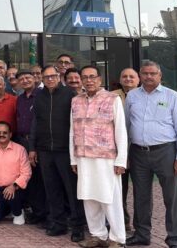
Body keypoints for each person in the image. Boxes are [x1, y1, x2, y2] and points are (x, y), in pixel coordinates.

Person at [125, 61, 177, 248]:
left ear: (160, 75)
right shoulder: (132, 96)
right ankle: (142, 234)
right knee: (141, 197)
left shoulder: (172, 96)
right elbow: (126, 126)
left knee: (172, 198)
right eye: (145, 73)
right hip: (138, 153)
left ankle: (175, 239)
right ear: (140, 76)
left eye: (153, 73)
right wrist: (125, 154)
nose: (149, 76)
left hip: (166, 152)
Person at [71, 65, 128, 248]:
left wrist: (121, 160)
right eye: (85, 77)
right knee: (89, 197)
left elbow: (121, 131)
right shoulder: (76, 101)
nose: (89, 80)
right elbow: (72, 131)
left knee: (109, 198)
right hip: (83, 157)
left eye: (92, 77)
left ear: (99, 79)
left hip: (106, 158)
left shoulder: (112, 99)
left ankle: (117, 238)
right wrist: (73, 159)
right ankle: (98, 236)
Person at [30, 65, 85, 242]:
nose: (50, 79)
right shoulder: (39, 96)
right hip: (45, 150)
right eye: (46, 77)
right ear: (42, 79)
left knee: (72, 190)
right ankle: (58, 223)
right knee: (52, 189)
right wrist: (32, 148)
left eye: (53, 76)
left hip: (65, 151)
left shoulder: (70, 94)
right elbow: (35, 123)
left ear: (58, 76)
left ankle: (78, 226)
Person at [14, 69, 47, 225]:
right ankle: (37, 212)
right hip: (23, 142)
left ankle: (47, 214)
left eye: (27, 77)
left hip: (38, 143)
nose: (25, 81)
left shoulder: (42, 95)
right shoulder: (20, 99)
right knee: (30, 178)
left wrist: (33, 146)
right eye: (21, 79)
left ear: (34, 78)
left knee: (42, 179)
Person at [0, 121, 31, 225]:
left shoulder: (20, 150)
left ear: (10, 134)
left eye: (5, 132)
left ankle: (18, 212)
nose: (2, 135)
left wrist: (14, 185)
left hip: (16, 188)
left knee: (12, 195)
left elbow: (27, 172)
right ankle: (7, 209)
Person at [110, 67, 139, 233]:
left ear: (138, 79)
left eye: (131, 76)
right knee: (120, 189)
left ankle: (141, 226)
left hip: (139, 149)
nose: (128, 79)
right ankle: (122, 222)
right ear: (120, 79)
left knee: (141, 190)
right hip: (119, 150)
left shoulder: (144, 95)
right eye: (124, 76)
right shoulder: (112, 96)